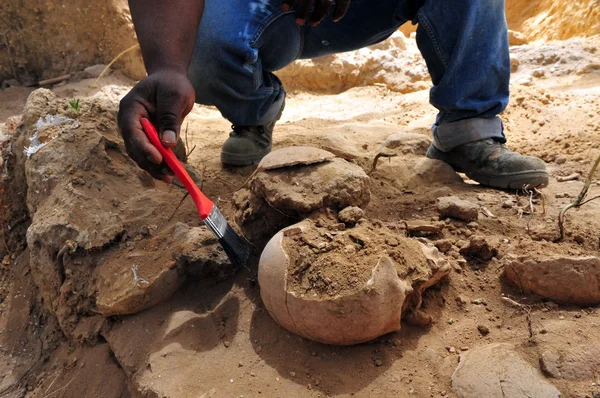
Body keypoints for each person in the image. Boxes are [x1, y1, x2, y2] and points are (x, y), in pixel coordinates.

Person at [118, 0, 549, 190]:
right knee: (202, 48)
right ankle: (253, 109)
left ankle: (468, 128)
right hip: (262, 9)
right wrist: (168, 68)